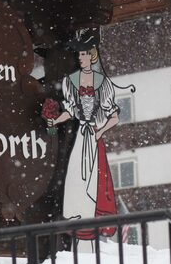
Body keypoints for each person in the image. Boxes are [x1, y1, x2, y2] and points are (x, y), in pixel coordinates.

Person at [45, 29, 123, 248]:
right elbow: (70, 111)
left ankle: (89, 234)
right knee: (76, 181)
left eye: (83, 54)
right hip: (81, 137)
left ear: (92, 56)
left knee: (93, 181)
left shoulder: (102, 83)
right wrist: (55, 121)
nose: (80, 58)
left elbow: (114, 116)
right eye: (78, 55)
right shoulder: (71, 81)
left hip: (93, 137)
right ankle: (78, 229)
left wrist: (99, 131)